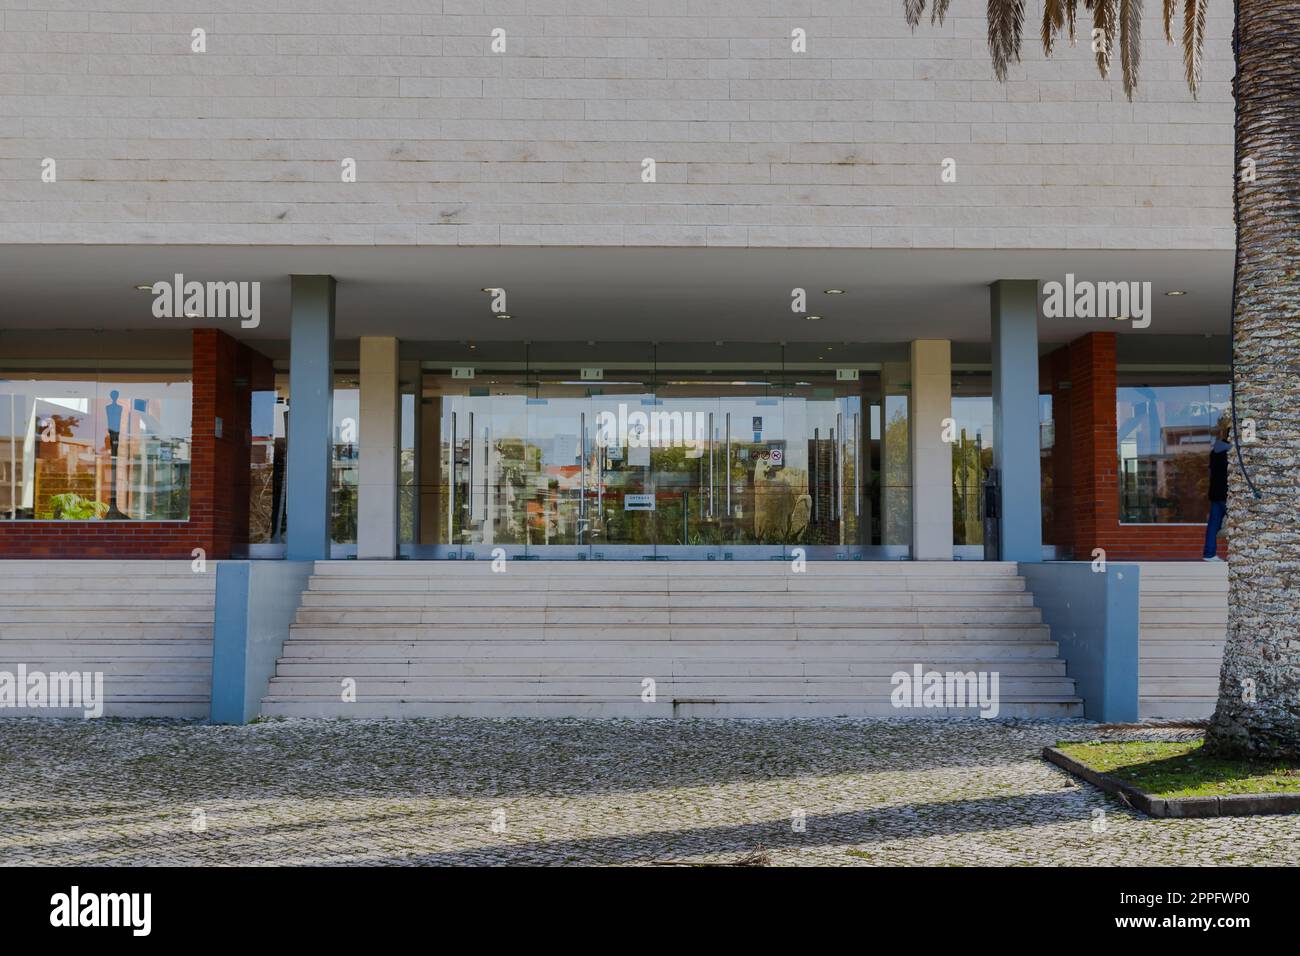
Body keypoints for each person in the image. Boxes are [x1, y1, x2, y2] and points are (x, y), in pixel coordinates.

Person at [1203, 417, 1230, 561]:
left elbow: (1211, 472)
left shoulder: (1214, 451)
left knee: (1213, 524)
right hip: (1227, 493)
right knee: (1241, 523)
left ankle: (1209, 553)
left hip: (1215, 492)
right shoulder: (1231, 451)